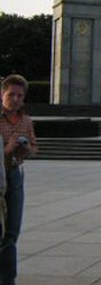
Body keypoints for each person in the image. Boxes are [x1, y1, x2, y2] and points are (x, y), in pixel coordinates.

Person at [1, 74, 38, 285]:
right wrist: (6, 149)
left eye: (20, 95)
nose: (15, 99)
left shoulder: (26, 120)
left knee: (12, 233)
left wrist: (26, 150)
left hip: (14, 176)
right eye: (11, 94)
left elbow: (34, 147)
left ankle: (8, 280)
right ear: (2, 94)